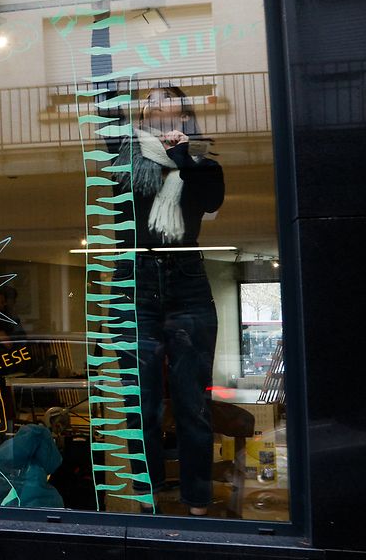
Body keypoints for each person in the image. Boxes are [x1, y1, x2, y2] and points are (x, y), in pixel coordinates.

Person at [117, 85, 225, 516]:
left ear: (184, 116)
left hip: (187, 283)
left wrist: (182, 157)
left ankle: (197, 498)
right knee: (140, 400)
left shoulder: (203, 165)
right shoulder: (126, 162)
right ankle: (150, 493)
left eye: (167, 99)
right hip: (136, 281)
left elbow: (211, 202)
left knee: (191, 401)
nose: (155, 104)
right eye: (149, 100)